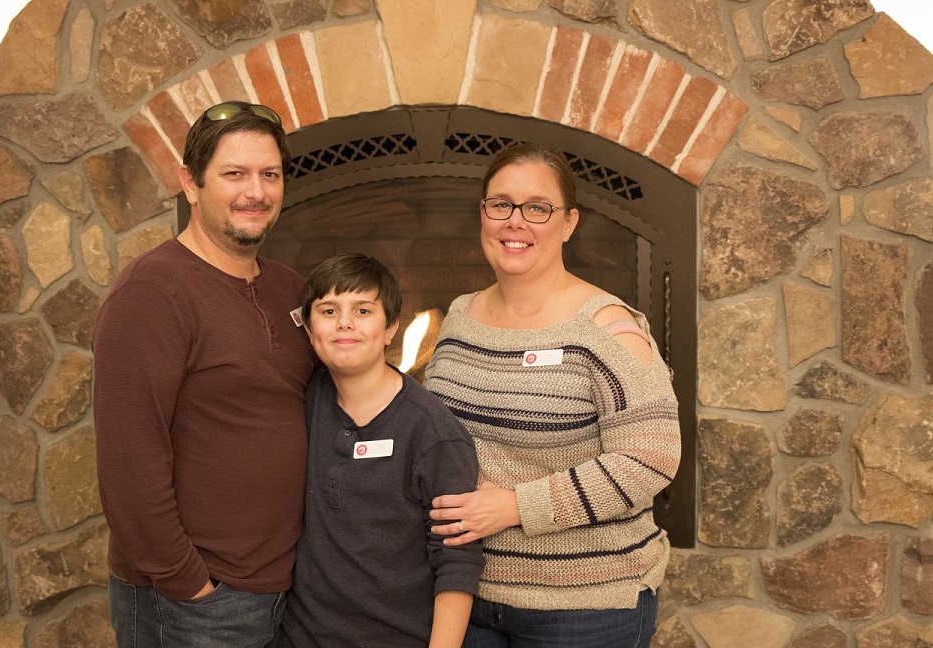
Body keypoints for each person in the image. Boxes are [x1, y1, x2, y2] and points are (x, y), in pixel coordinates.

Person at [424, 143, 681, 647]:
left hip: (584, 605)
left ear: (569, 223)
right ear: (483, 214)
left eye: (537, 208)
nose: (515, 222)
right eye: (501, 204)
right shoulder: (459, 317)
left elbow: (652, 458)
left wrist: (517, 506)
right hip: (465, 592)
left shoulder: (606, 328)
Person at [93, 101, 316, 648]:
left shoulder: (292, 289)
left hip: (284, 589)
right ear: (190, 184)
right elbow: (129, 460)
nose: (256, 192)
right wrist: (189, 584)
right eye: (234, 174)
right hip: (195, 604)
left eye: (270, 174)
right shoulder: (152, 293)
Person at [280, 253, 485, 648]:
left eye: (362, 310)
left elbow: (457, 559)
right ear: (308, 329)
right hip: (301, 636)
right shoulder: (304, 402)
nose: (344, 323)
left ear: (391, 327)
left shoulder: (431, 431)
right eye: (328, 310)